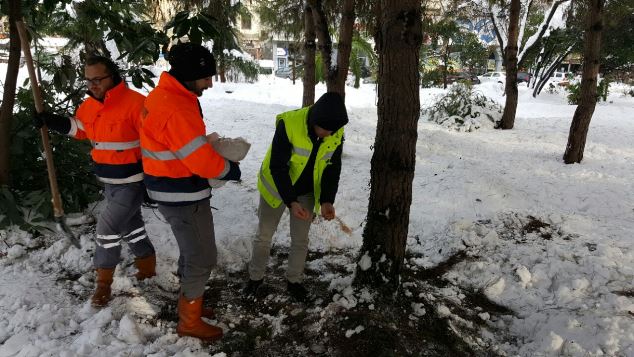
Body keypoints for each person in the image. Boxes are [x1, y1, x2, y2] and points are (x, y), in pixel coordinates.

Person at [33, 56, 157, 308]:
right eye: (89, 80)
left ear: (113, 75)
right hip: (109, 181)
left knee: (107, 229)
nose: (93, 85)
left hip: (133, 182)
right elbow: (81, 129)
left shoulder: (136, 103)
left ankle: (103, 284)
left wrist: (154, 182)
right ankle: (147, 264)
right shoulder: (88, 107)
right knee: (131, 227)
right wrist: (52, 121)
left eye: (98, 79)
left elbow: (155, 141)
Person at [140, 42, 241, 342]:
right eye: (206, 76)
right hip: (183, 194)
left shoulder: (165, 96)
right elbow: (200, 160)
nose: (210, 83)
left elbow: (181, 145)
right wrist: (228, 169)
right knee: (202, 257)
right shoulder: (176, 107)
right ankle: (189, 320)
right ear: (188, 74)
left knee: (191, 251)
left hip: (169, 187)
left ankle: (190, 300)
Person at [244, 92, 349, 301]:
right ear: (314, 121)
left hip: (307, 192)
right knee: (264, 236)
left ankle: (294, 282)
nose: (328, 134)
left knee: (300, 240)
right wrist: (291, 201)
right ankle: (255, 279)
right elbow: (278, 166)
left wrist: (327, 199)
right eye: (325, 129)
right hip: (276, 188)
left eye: (332, 131)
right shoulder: (289, 124)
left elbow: (332, 167)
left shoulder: (334, 131)